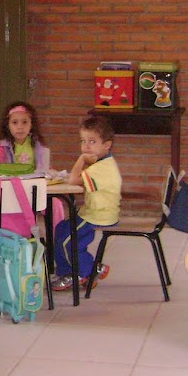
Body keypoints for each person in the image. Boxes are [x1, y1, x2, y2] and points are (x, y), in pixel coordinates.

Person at [50, 115, 121, 291]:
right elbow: (76, 179)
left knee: (67, 241)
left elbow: (74, 181)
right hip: (92, 211)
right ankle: (73, 271)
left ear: (107, 144)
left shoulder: (101, 168)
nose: (86, 146)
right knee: (60, 230)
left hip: (98, 215)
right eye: (83, 141)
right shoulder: (102, 162)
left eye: (92, 141)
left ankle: (83, 272)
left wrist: (81, 159)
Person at [0, 101, 51, 175]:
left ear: (31, 124)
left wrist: (47, 169)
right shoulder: (2, 144)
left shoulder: (37, 142)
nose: (20, 127)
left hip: (31, 180)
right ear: (7, 125)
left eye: (24, 122)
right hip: (9, 180)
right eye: (15, 122)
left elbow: (43, 161)